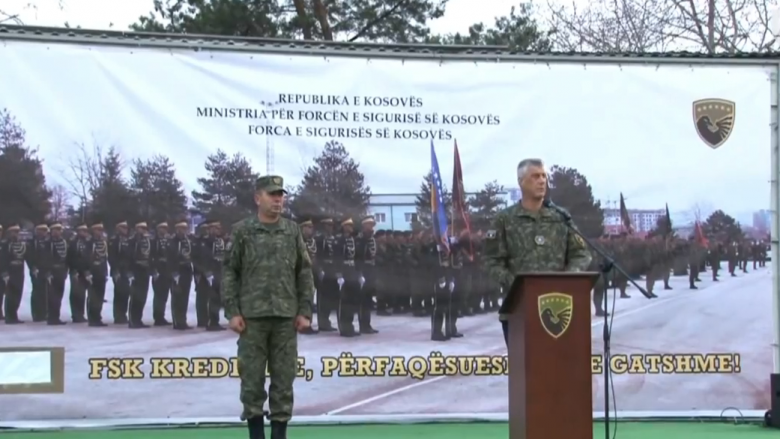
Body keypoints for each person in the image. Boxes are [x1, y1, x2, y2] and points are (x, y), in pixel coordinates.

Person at [223, 175, 314, 439]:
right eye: (272, 195)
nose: (278, 200)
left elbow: (304, 273)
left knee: (284, 379)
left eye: (281, 195)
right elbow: (230, 272)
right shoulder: (243, 230)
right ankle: (255, 434)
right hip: (252, 318)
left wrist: (305, 311)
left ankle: (279, 434)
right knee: (251, 380)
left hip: (286, 318)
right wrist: (233, 311)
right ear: (257, 198)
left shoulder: (292, 230)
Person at [483, 158, 592, 346]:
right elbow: (491, 260)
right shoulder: (505, 220)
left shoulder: (560, 217)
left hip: (559, 305)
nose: (542, 181)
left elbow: (581, 254)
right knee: (526, 371)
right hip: (520, 309)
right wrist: (518, 285)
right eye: (535, 176)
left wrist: (567, 278)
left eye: (544, 176)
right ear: (521, 182)